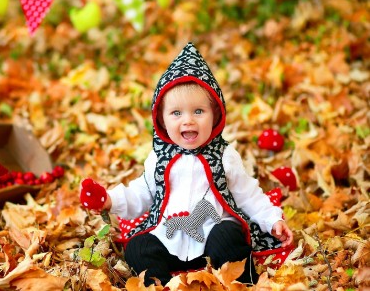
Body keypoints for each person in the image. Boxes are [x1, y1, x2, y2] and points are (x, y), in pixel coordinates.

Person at [80, 42, 293, 286]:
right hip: (170, 236)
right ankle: (158, 283)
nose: (188, 120)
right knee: (138, 248)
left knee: (229, 237)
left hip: (213, 234)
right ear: (161, 118)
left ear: (215, 115)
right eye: (177, 113)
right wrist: (110, 200)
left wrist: (272, 219)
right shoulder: (160, 157)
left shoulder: (224, 155)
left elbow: (248, 194)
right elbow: (143, 193)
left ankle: (239, 281)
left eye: (199, 111)